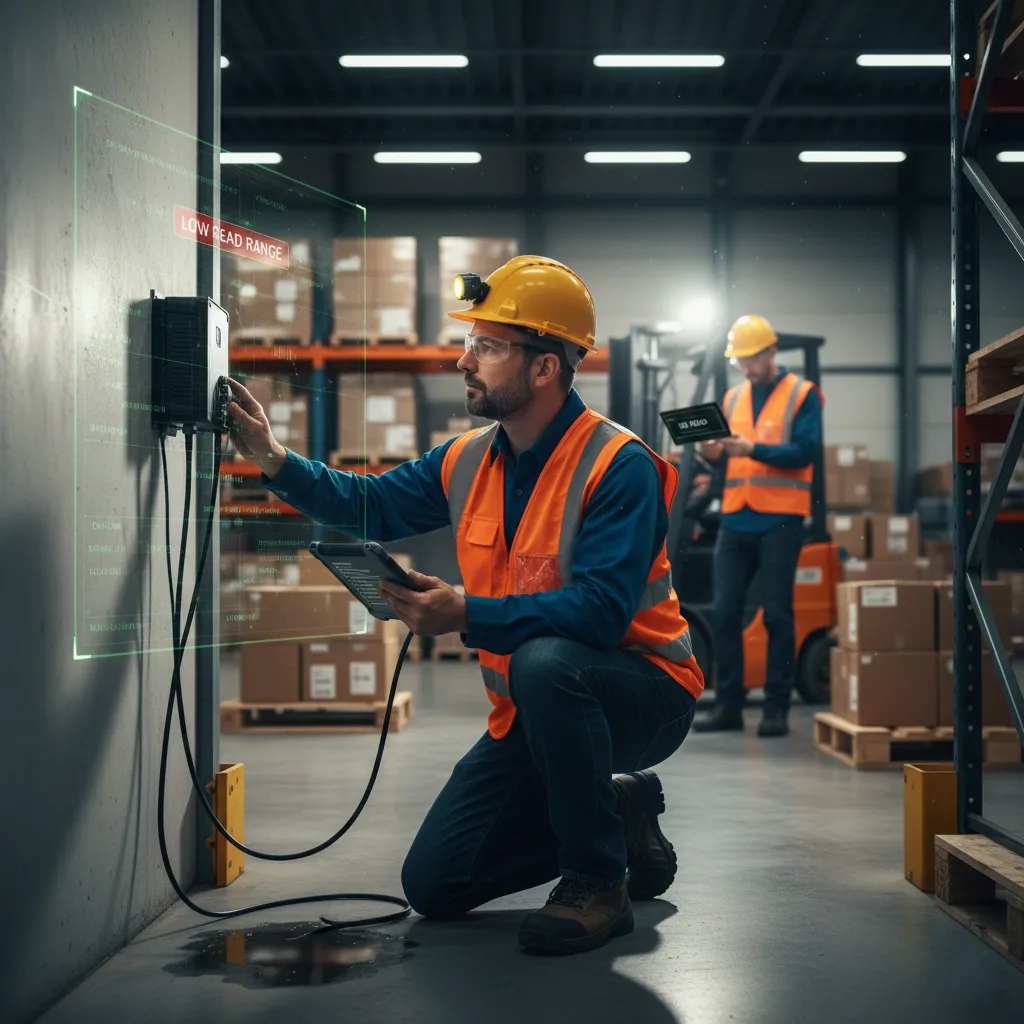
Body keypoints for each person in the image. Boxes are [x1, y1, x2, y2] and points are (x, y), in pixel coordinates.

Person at [226, 256, 704, 956]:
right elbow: (372, 503)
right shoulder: (468, 458)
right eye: (470, 342)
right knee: (436, 884)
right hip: (535, 708)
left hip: (646, 693)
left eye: (487, 346)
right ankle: (619, 811)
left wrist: (466, 613)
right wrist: (271, 456)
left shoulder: (618, 465)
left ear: (545, 367)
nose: (463, 360)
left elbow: (601, 613)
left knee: (545, 662)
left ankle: (598, 880)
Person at [693, 315, 822, 738]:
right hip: (736, 516)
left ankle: (776, 708)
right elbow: (727, 456)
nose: (746, 367)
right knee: (725, 613)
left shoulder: (802, 394)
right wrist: (712, 452)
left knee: (777, 615)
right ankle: (728, 706)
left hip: (781, 519)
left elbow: (804, 452)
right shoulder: (732, 398)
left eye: (751, 358)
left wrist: (753, 448)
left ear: (771, 351)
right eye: (740, 361)